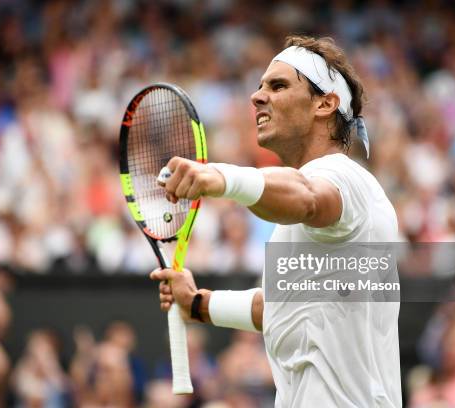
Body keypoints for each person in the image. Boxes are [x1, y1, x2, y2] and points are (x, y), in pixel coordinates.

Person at [150, 35, 401, 407]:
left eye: (278, 85)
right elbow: (277, 307)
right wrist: (199, 304)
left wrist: (220, 178)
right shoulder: (299, 216)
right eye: (259, 86)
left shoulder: (346, 179)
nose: (257, 97)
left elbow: (308, 197)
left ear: (325, 103)